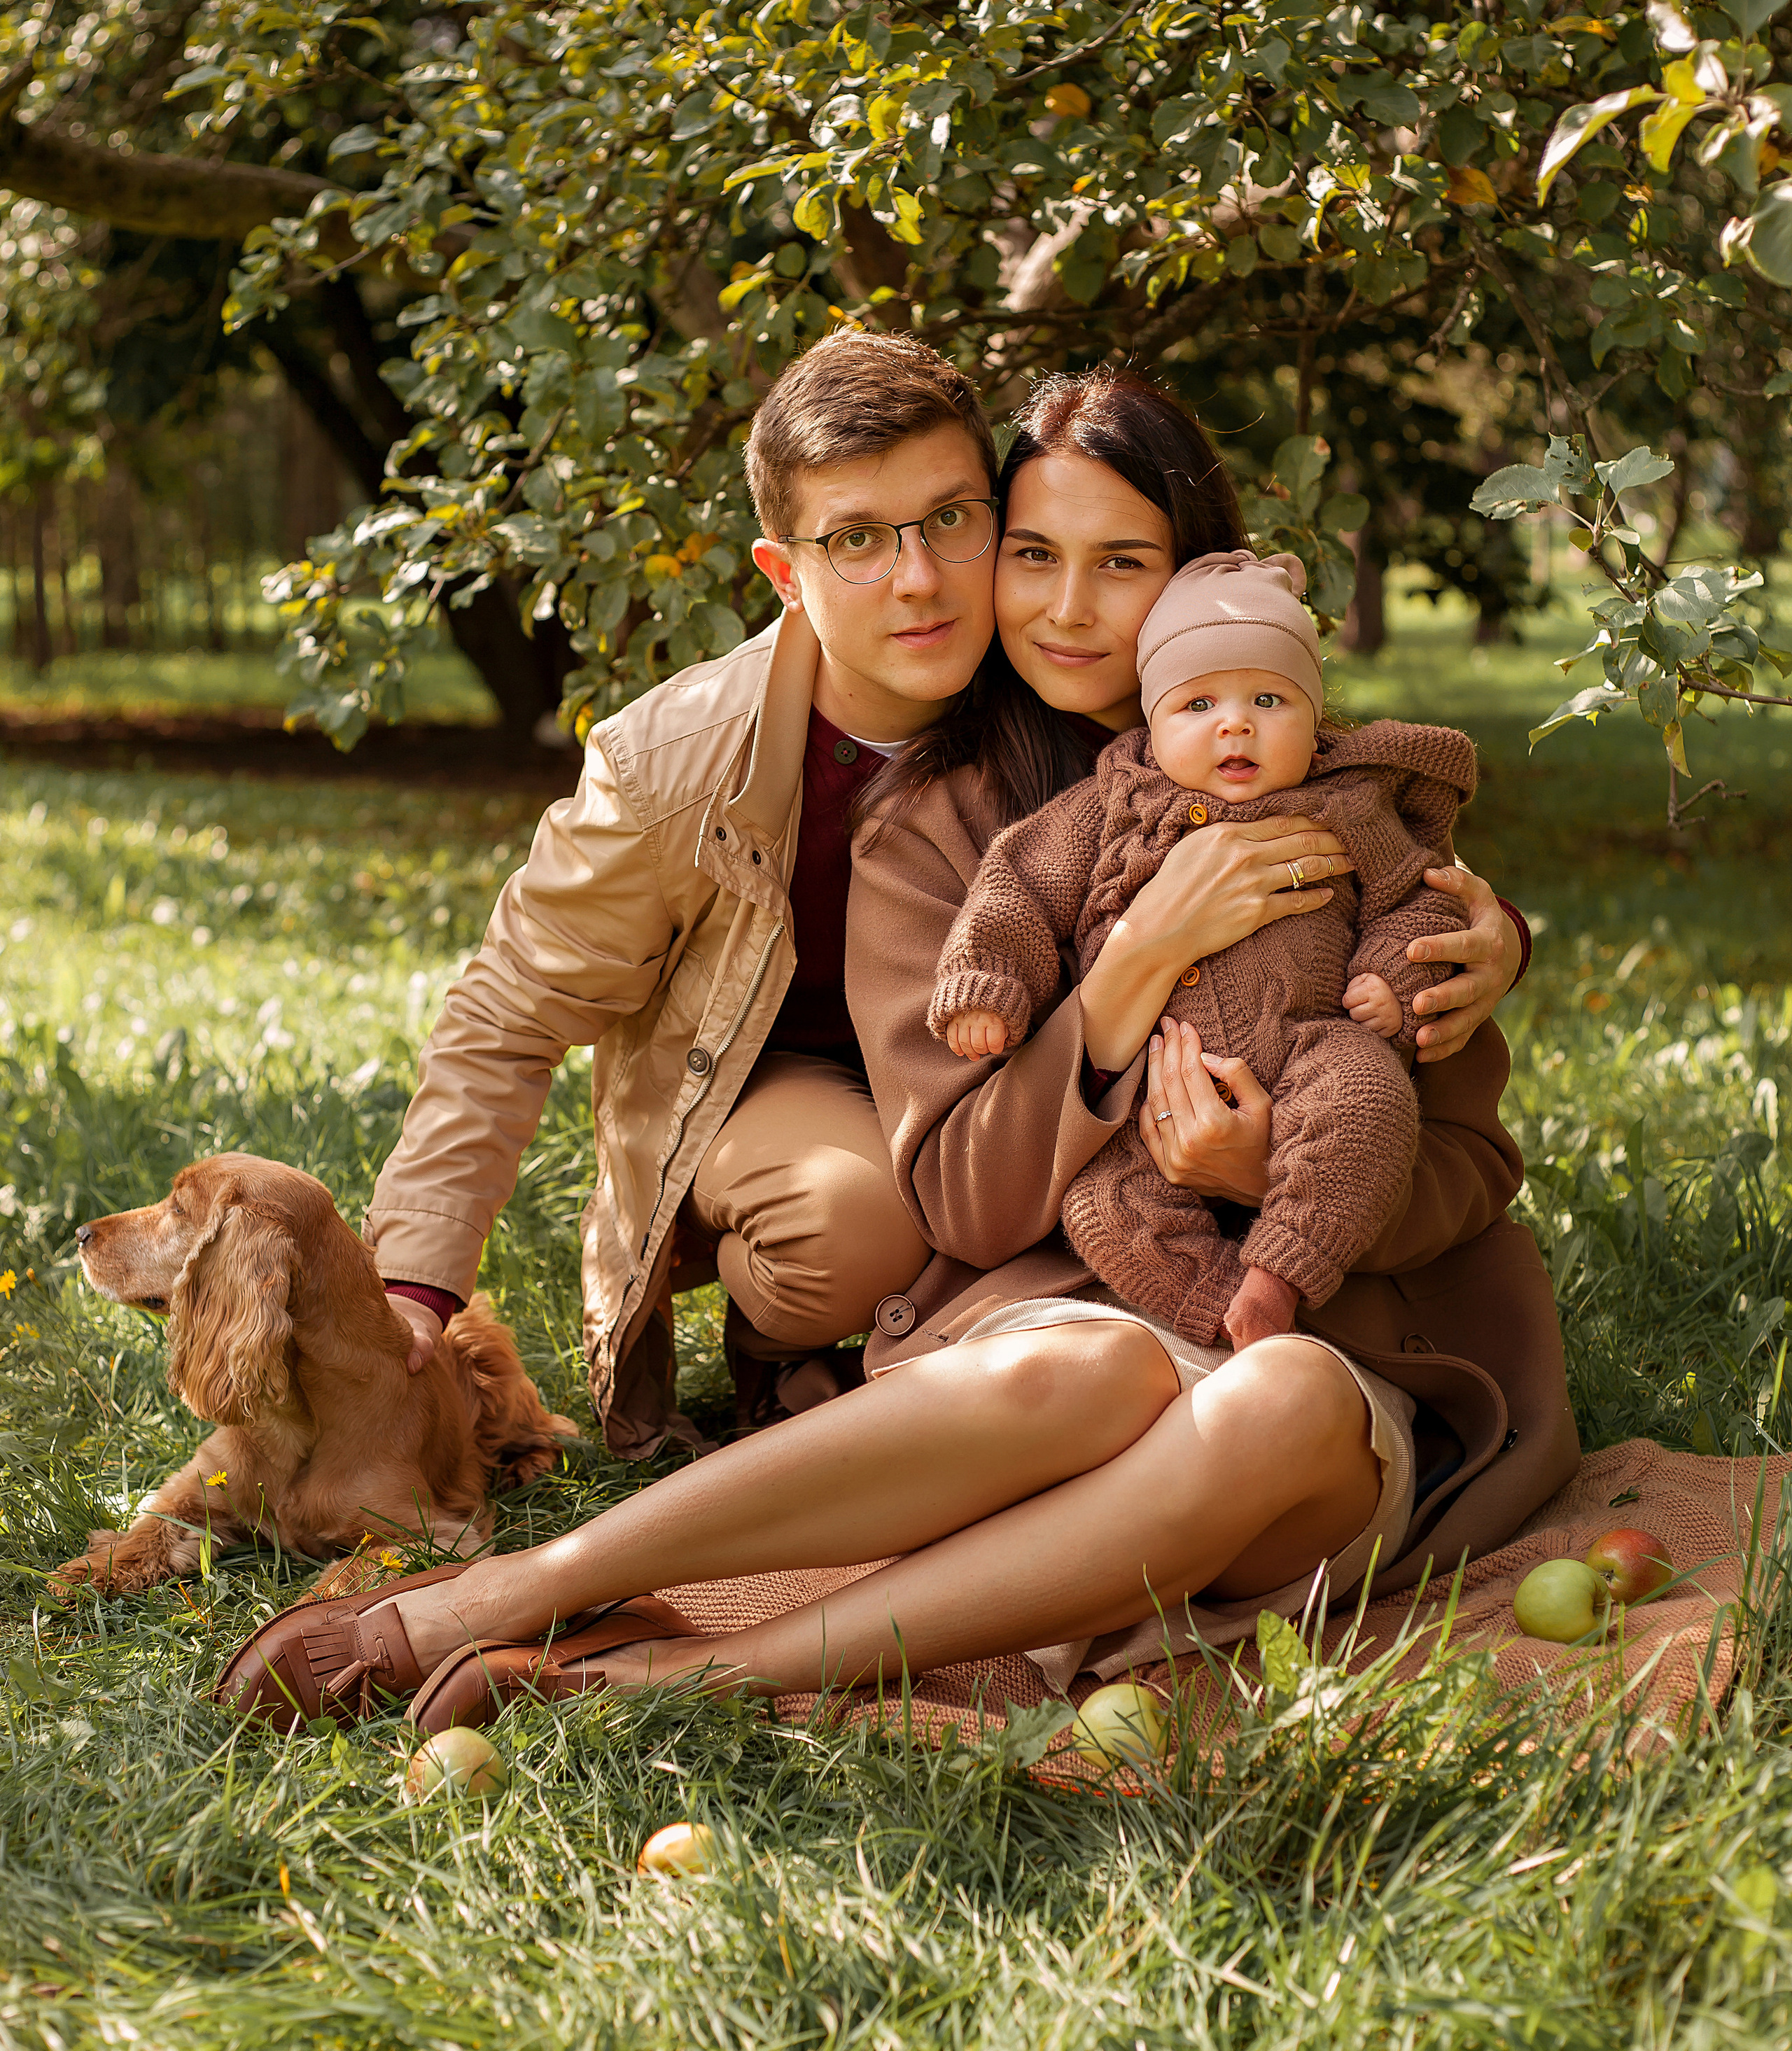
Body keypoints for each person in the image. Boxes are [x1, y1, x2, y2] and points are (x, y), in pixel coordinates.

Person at [217, 356, 1558, 1726]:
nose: (1064, 605)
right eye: (1033, 554)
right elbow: (947, 1195)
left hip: (1328, 1366)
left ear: (1201, 578)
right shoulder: (937, 828)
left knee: (1273, 1398)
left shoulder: (1345, 806)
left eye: (1123, 561)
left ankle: (688, 1675)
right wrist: (1136, 959)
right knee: (1080, 1359)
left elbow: (1465, 1162)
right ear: (792, 566)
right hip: (1049, 1315)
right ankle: (510, 1597)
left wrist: (1288, 1168)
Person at [367, 332, 1521, 1459]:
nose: (921, 581)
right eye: (857, 540)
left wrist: (1487, 935)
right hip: (777, 1080)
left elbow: (1366, 854)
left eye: (954, 525)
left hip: (1011, 1103)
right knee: (860, 1220)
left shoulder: (1162, 726)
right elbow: (506, 1017)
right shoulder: (688, 767)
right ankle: (790, 1350)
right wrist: (412, 1288)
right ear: (787, 570)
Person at [929, 545, 1480, 1350]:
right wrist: (987, 978)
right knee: (1102, 1204)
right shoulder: (1110, 806)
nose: (1236, 724)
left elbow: (1416, 895)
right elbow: (1016, 881)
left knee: (1367, 1099)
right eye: (1197, 705)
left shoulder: (1346, 805)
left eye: (1269, 699)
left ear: (1315, 720)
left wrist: (1390, 976)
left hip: (1306, 1047)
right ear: (1150, 724)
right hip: (1149, 1093)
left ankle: (1279, 1277)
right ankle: (1219, 1311)